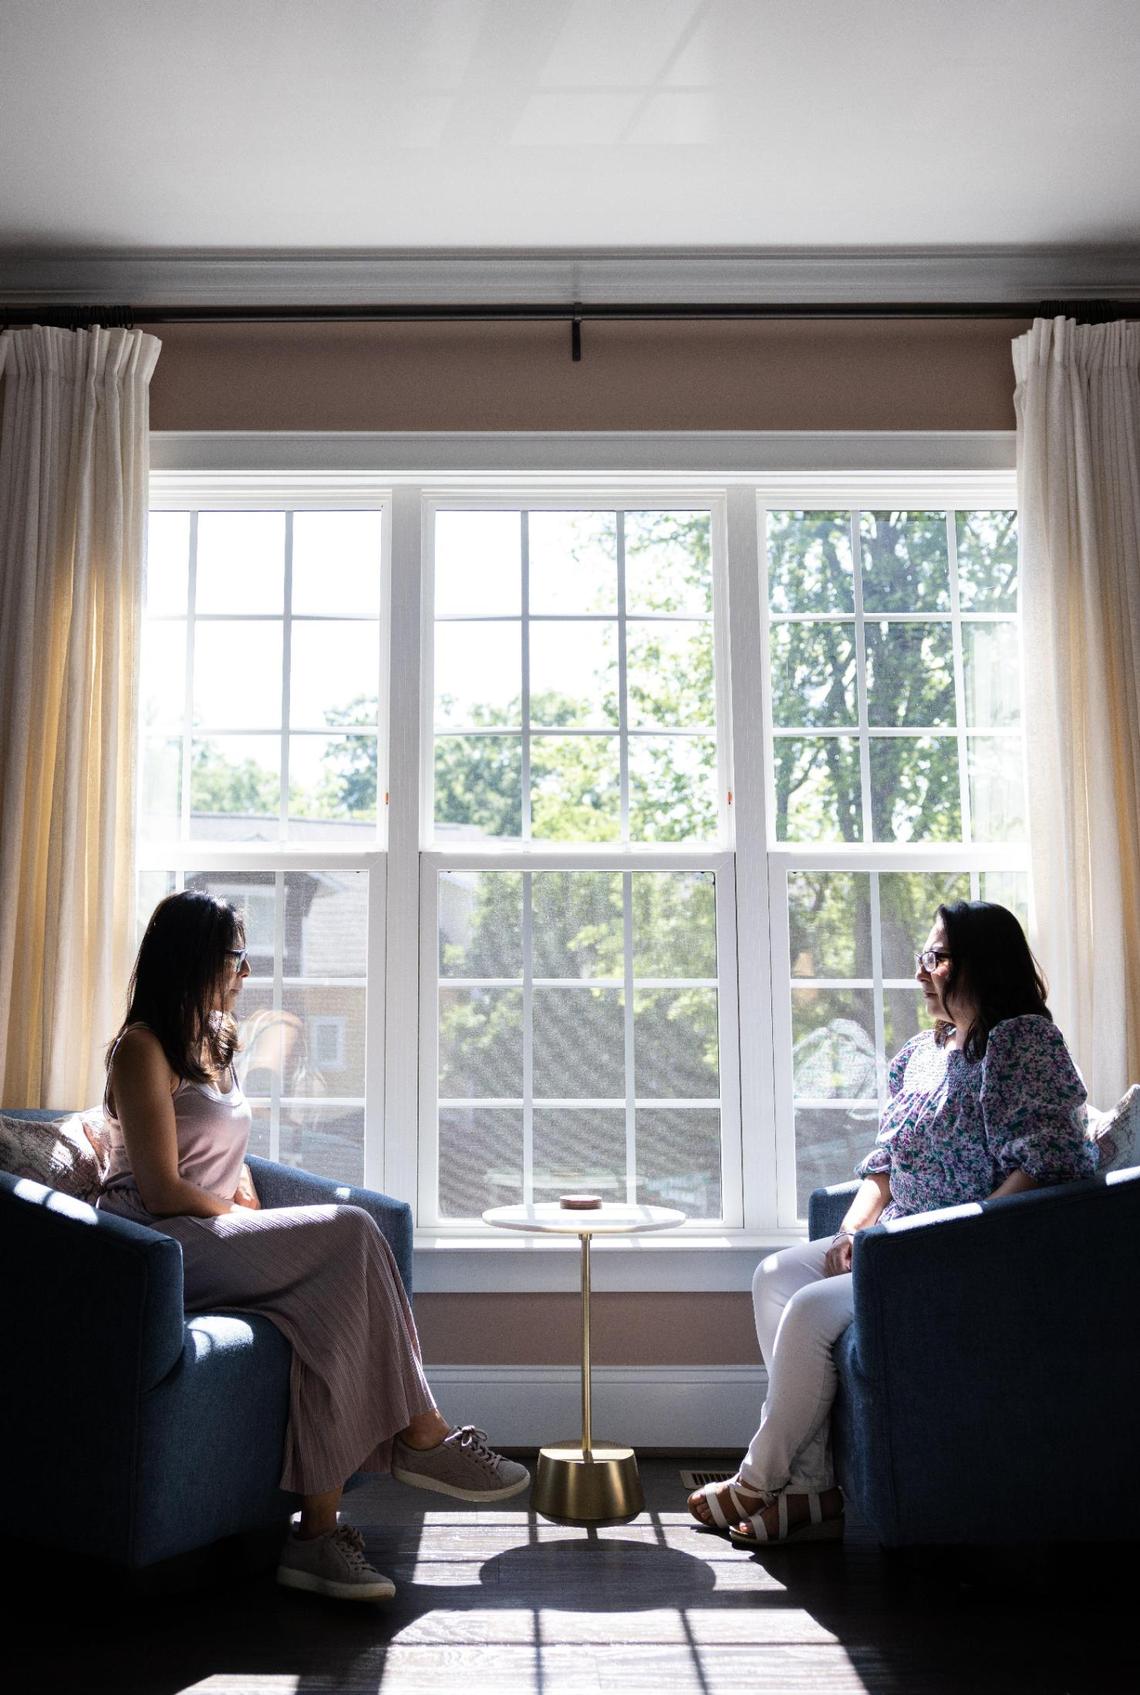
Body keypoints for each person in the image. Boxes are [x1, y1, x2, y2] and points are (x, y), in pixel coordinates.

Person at [98, 890, 530, 1602]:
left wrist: (260, 1221)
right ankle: (423, 1433)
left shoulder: (214, 1040)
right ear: (194, 957)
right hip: (156, 1247)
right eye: (235, 954)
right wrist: (252, 1230)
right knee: (351, 1226)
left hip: (211, 1230)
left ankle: (316, 1539)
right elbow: (162, 1188)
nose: (245, 969)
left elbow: (229, 1164)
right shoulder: (140, 1049)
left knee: (325, 1304)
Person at [688, 900, 1095, 1547]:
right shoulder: (920, 1053)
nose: (920, 974)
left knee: (809, 1313)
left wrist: (968, 1232)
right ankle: (813, 1491)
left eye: (936, 958)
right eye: (922, 958)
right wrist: (854, 1231)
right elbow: (881, 1166)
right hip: (894, 1237)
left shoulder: (1022, 1042)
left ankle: (757, 1478)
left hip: (952, 1250)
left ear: (981, 965)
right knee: (773, 1276)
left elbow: (1050, 1160)